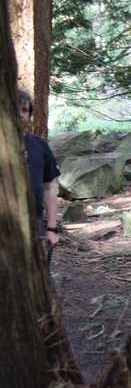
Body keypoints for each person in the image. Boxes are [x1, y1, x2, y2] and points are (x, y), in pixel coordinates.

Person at [19, 90, 60, 263]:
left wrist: (51, 229)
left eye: (24, 110)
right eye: (15, 109)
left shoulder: (39, 145)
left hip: (34, 224)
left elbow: (49, 188)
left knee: (36, 271)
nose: (20, 114)